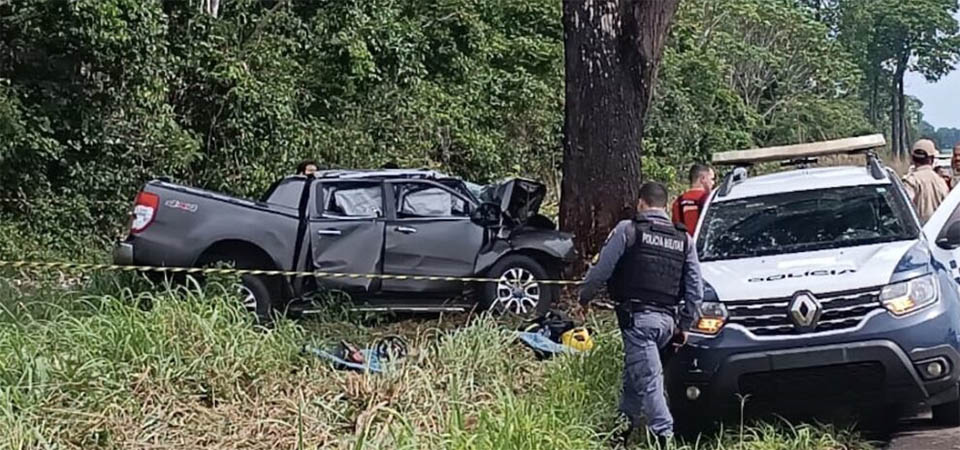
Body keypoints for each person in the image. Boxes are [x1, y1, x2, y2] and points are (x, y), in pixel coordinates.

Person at [578, 182, 704, 447]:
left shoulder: (628, 230)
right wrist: (684, 325)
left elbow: (601, 271)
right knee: (634, 376)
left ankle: (664, 437)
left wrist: (584, 298)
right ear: (664, 205)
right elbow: (695, 289)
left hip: (639, 321)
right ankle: (621, 433)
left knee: (649, 379)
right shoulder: (684, 239)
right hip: (668, 323)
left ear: (641, 203)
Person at [902, 139, 949, 224]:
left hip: (920, 231)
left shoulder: (911, 181)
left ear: (913, 158)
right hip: (938, 231)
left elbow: (905, 207)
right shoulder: (941, 181)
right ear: (932, 159)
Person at [671, 164, 715, 236]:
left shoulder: (678, 202)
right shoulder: (710, 200)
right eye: (712, 179)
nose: (713, 183)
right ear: (703, 178)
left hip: (684, 244)